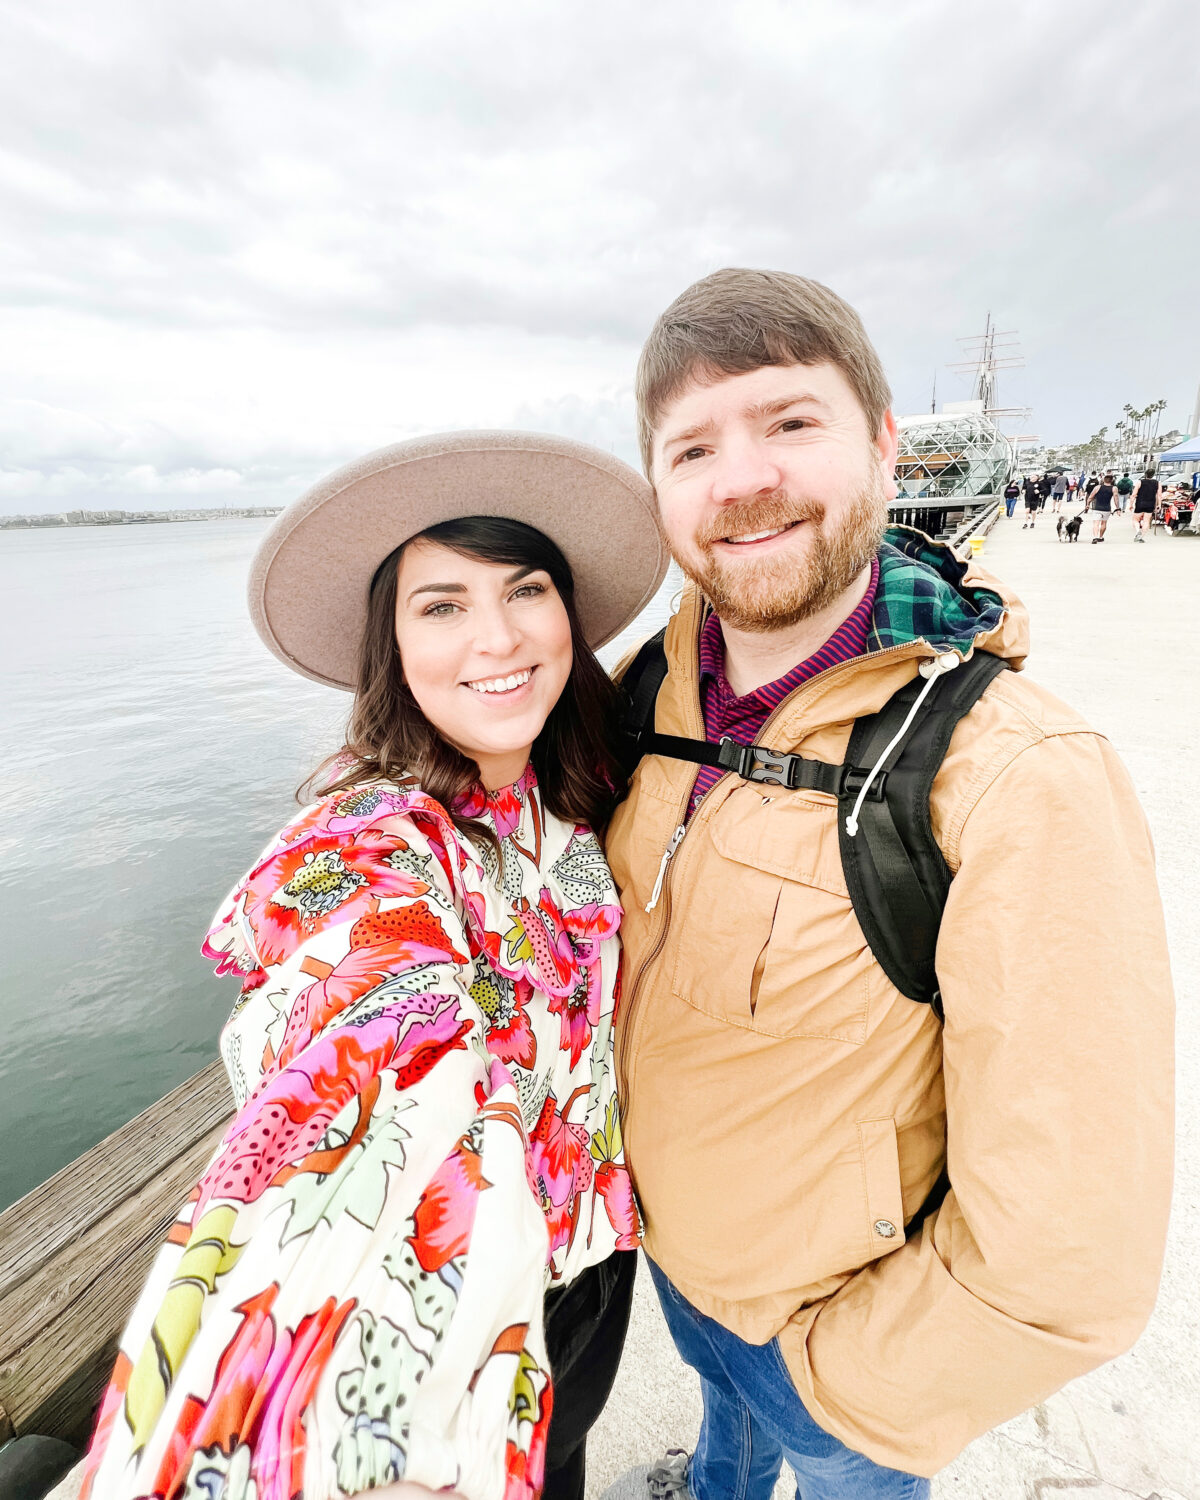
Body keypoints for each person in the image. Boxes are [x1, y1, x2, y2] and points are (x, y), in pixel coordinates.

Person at [601, 268, 1173, 1500]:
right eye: (692, 446)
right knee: (722, 1446)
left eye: (789, 423)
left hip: (840, 1352)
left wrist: (844, 1381)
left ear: (881, 444)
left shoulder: (1017, 776)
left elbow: (1070, 1253)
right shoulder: (644, 701)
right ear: (657, 487)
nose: (741, 478)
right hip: (679, 1264)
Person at [79, 432, 669, 1500]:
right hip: (470, 1304)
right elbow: (367, 1053)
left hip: (590, 1269)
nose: (496, 635)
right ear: (390, 645)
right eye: (441, 605)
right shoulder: (366, 844)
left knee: (567, 1468)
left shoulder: (574, 778)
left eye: (525, 590)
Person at [1133, 467, 1159, 541]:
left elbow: (1134, 494)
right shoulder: (1157, 483)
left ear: (1145, 474)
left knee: (1135, 519)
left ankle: (1138, 531)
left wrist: (1131, 503)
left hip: (1140, 503)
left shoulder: (1140, 482)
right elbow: (1158, 495)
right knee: (1146, 521)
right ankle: (1141, 536)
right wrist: (1158, 505)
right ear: (1153, 475)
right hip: (1150, 504)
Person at [1089, 471, 1115, 542]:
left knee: (1096, 523)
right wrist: (1118, 508)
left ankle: (1095, 537)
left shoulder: (1097, 487)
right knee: (1104, 523)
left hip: (1097, 508)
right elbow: (1116, 498)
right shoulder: (1114, 488)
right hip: (1107, 509)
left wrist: (1088, 504)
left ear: (1103, 480)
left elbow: (1091, 496)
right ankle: (1100, 537)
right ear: (1111, 480)